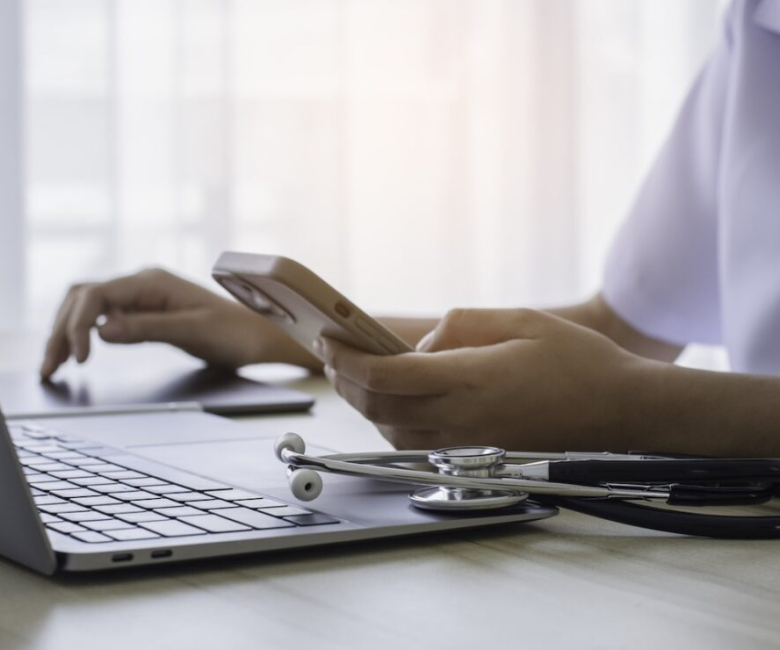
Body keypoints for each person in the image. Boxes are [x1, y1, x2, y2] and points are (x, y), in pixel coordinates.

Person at [39, 0, 780, 457]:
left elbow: (619, 379)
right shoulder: (757, 25)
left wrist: (634, 410)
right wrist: (274, 332)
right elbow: (623, 326)